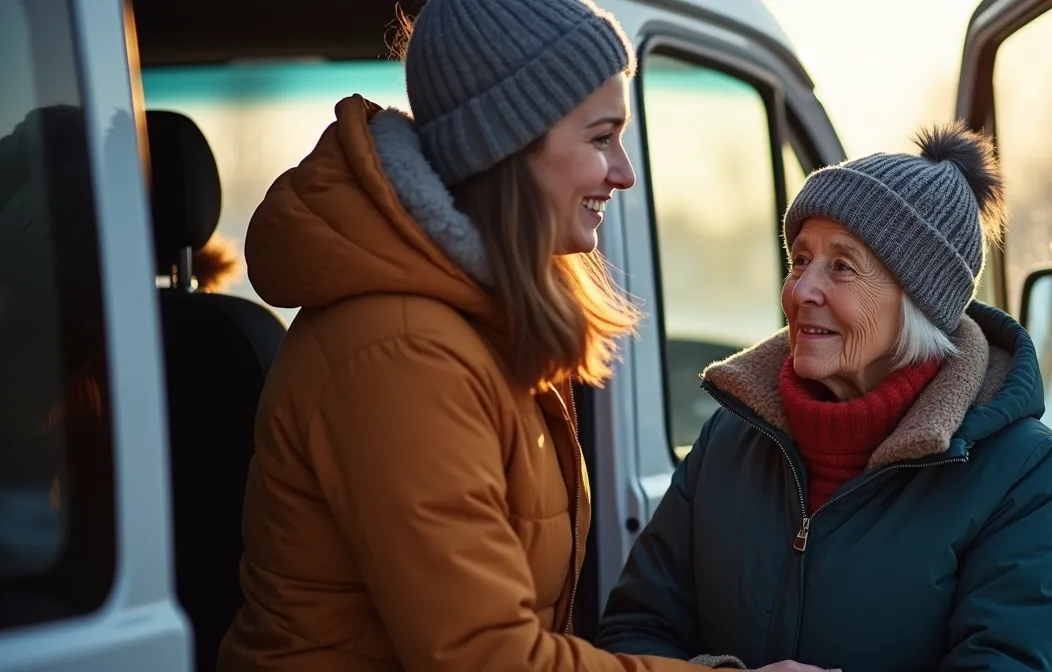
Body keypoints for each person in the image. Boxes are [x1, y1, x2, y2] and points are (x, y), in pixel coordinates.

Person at [215, 1, 832, 671]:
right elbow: (486, 656)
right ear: (506, 143)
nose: (623, 172)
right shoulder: (402, 352)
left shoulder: (474, 325)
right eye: (601, 138)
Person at [594, 122, 1052, 671]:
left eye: (842, 267)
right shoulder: (730, 437)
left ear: (918, 303)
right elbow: (634, 630)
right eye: (800, 260)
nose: (801, 290)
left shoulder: (1022, 471)